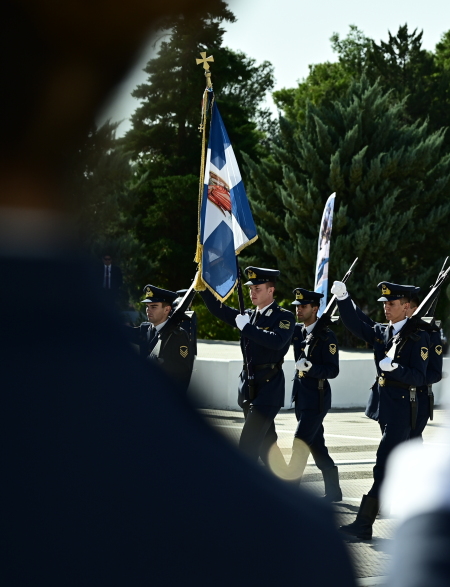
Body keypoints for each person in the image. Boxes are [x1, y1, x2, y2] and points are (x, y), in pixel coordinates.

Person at [4, 1, 355, 584]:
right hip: (247, 403)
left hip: (270, 392)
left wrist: (262, 326)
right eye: (264, 289)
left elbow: (278, 343)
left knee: (277, 446)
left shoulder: (277, 323)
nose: (265, 292)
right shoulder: (271, 541)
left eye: (266, 288)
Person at [331, 279, 430, 540]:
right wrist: (343, 299)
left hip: (402, 409)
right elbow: (357, 323)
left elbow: (421, 377)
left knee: (384, 464)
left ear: (407, 307)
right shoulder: (382, 332)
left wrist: (396, 369)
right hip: (385, 407)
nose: (386, 307)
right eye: (385, 303)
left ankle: (364, 524)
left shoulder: (419, 337)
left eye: (392, 303)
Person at [199, 267, 293, 468]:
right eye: (250, 288)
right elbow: (220, 310)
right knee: (267, 446)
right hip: (249, 387)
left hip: (269, 388)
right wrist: (203, 289)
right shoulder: (247, 315)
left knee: (247, 446)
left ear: (271, 290)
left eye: (258, 288)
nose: (252, 292)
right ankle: (287, 486)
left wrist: (248, 328)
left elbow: (277, 342)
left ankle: (239, 496)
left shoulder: (284, 317)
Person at [287, 287, 342, 501]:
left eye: (303, 306)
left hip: (317, 398)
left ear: (315, 308)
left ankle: (290, 493)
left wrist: (311, 368)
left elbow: (333, 370)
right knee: (316, 444)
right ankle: (334, 490)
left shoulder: (327, 336)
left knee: (299, 442)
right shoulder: (298, 332)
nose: (298, 310)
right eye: (297, 306)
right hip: (301, 396)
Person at [129, 284, 195, 389]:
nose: (148, 310)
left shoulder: (177, 335)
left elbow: (183, 369)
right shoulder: (145, 329)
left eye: (154, 307)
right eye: (147, 306)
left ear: (167, 309)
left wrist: (162, 364)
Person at [404, 294, 443, 443]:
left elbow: (435, 372)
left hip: (418, 396)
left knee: (412, 439)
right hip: (398, 397)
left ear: (415, 309)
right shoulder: (398, 331)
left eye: (407, 308)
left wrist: (411, 378)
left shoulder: (430, 334)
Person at [175, 288, 198, 357]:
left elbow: (194, 333)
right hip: (179, 348)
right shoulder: (175, 314)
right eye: (189, 300)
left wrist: (194, 351)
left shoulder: (192, 314)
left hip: (190, 349)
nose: (191, 302)